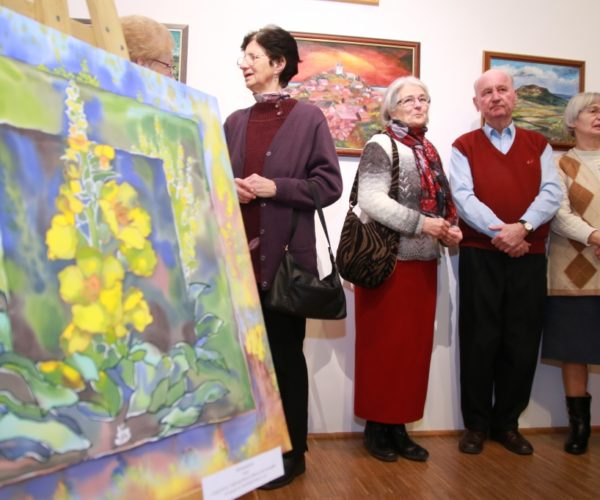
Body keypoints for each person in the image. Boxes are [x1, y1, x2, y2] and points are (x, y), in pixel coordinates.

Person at [223, 26, 342, 489]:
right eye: (242, 56)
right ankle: (253, 449)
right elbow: (216, 180)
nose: (244, 64)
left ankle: (292, 456)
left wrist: (278, 188)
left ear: (278, 63)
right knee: (247, 364)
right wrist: (227, 186)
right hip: (238, 265)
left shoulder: (309, 117)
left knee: (285, 361)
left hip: (287, 268)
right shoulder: (233, 121)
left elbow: (329, 185)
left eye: (252, 56)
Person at [450, 69, 562, 455]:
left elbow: (551, 192)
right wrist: (505, 233)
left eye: (502, 90)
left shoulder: (539, 144)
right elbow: (463, 197)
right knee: (479, 339)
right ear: (476, 103)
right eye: (486, 92)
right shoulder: (464, 146)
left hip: (529, 257)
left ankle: (507, 424)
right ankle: (477, 426)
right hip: (481, 255)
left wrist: (524, 228)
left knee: (522, 338)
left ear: (514, 97)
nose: (495, 97)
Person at [353, 76, 462, 463]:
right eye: (409, 100)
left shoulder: (428, 150)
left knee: (413, 351)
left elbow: (439, 206)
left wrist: (448, 229)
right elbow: (371, 200)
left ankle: (398, 428)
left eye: (424, 99)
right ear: (391, 108)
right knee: (382, 348)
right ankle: (376, 429)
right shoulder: (381, 144)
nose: (418, 105)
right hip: (387, 263)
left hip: (423, 264)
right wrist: (422, 224)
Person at [542, 92, 600, 455]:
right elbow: (559, 215)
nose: (599, 116)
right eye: (593, 111)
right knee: (575, 349)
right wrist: (594, 235)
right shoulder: (560, 164)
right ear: (573, 120)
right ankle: (579, 428)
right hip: (574, 270)